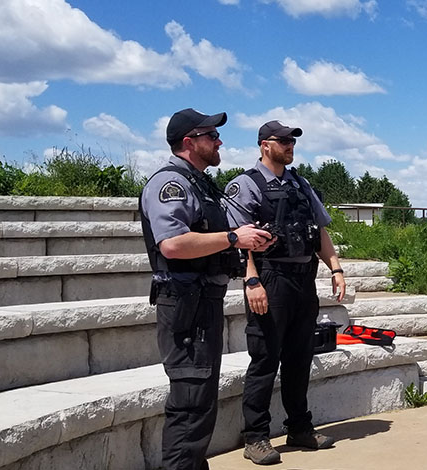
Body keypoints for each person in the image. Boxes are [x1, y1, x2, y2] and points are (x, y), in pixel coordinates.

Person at [139, 108, 274, 470]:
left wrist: (245, 241)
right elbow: (172, 244)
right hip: (186, 307)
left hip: (202, 303)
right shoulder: (171, 184)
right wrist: (234, 236)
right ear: (189, 142)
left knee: (200, 404)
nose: (219, 141)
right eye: (211, 136)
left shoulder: (199, 183)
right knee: (190, 404)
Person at [224, 120, 348, 465]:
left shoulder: (300, 183)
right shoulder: (246, 185)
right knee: (265, 359)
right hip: (270, 277)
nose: (291, 145)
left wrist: (335, 267)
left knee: (299, 358)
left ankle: (299, 428)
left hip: (302, 279)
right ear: (265, 145)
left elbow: (318, 230)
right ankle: (257, 437)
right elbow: (239, 238)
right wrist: (252, 281)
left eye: (292, 140)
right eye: (284, 140)